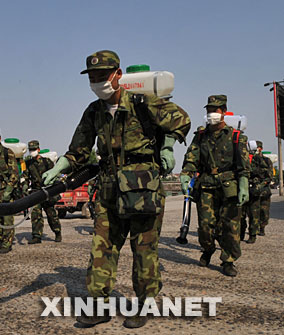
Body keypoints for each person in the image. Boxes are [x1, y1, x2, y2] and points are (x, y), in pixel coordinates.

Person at [43, 50, 190, 328]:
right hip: (109, 189)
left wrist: (168, 147)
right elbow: (79, 149)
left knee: (144, 250)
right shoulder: (93, 111)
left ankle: (145, 305)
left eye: (102, 76)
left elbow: (181, 119)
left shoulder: (141, 102)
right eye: (93, 77)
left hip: (142, 187)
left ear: (118, 74)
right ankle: (98, 307)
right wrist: (59, 167)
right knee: (102, 249)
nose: (97, 82)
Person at [181, 95, 249, 277]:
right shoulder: (201, 136)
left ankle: (228, 260)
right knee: (205, 226)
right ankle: (208, 248)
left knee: (230, 226)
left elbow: (243, 165)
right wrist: (186, 174)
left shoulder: (236, 136)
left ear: (223, 112)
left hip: (229, 188)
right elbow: (191, 157)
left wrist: (243, 184)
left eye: (215, 110)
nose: (211, 114)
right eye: (209, 110)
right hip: (207, 186)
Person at [24, 140, 61, 244]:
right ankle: (36, 236)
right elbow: (25, 176)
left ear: (38, 150)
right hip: (36, 192)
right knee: (35, 214)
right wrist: (25, 186)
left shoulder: (47, 162)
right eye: (30, 150)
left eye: (34, 149)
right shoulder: (28, 164)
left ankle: (57, 232)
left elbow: (54, 175)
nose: (32, 152)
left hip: (48, 192)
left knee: (51, 214)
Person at [256, 141, 273, 236]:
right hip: (253, 190)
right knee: (253, 211)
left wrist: (262, 184)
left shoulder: (266, 161)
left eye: (257, 148)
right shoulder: (250, 160)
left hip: (264, 190)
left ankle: (262, 227)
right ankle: (253, 229)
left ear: (260, 148)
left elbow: (270, 175)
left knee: (264, 210)